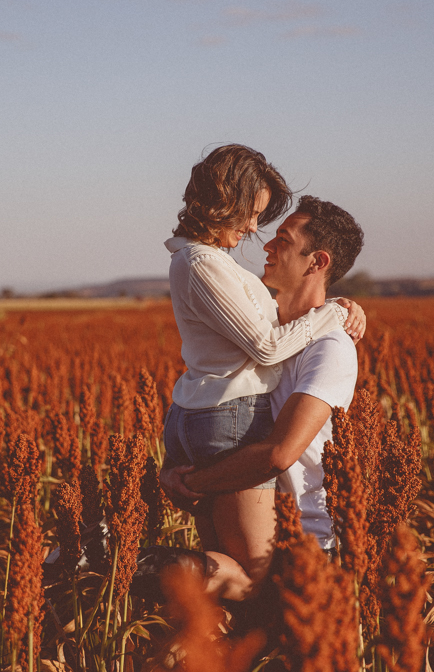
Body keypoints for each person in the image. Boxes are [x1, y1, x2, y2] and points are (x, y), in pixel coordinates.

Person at [161, 195, 363, 599]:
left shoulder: (330, 349)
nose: (266, 246)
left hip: (303, 544)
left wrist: (193, 483)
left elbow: (279, 454)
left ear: (317, 262)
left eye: (283, 241)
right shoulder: (259, 333)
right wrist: (172, 470)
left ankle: (116, 564)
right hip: (249, 512)